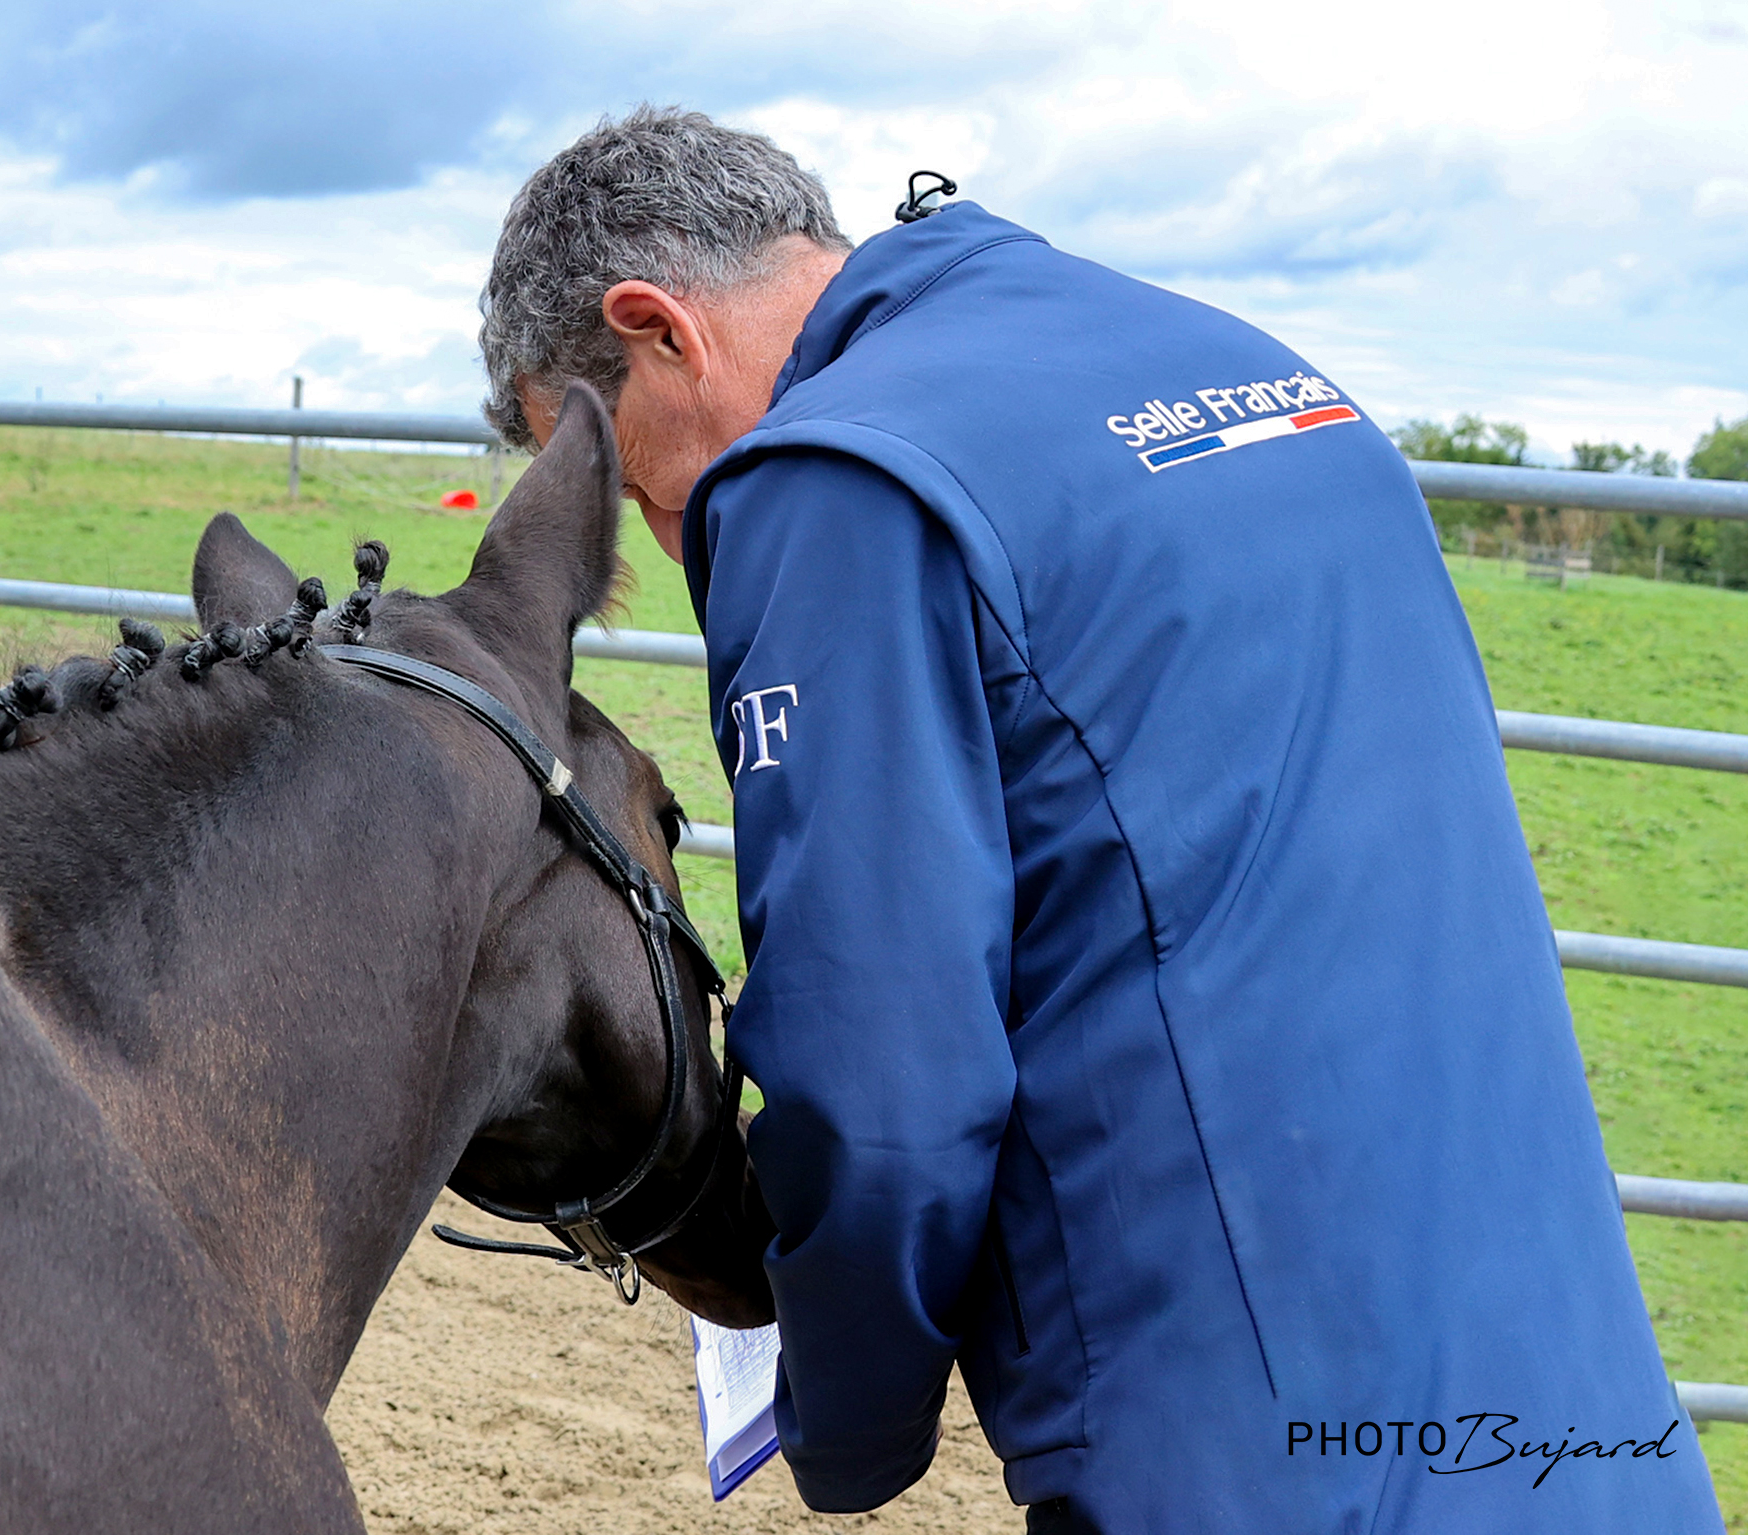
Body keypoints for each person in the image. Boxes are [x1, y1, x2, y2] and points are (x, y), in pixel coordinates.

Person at [476, 107, 1722, 1534]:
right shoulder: (1249, 369)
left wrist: (843, 1413)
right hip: (1571, 1395)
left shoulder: (835, 482)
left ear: (658, 330)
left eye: (637, 486)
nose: (670, 536)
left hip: (1234, 1435)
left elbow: (880, 1070)